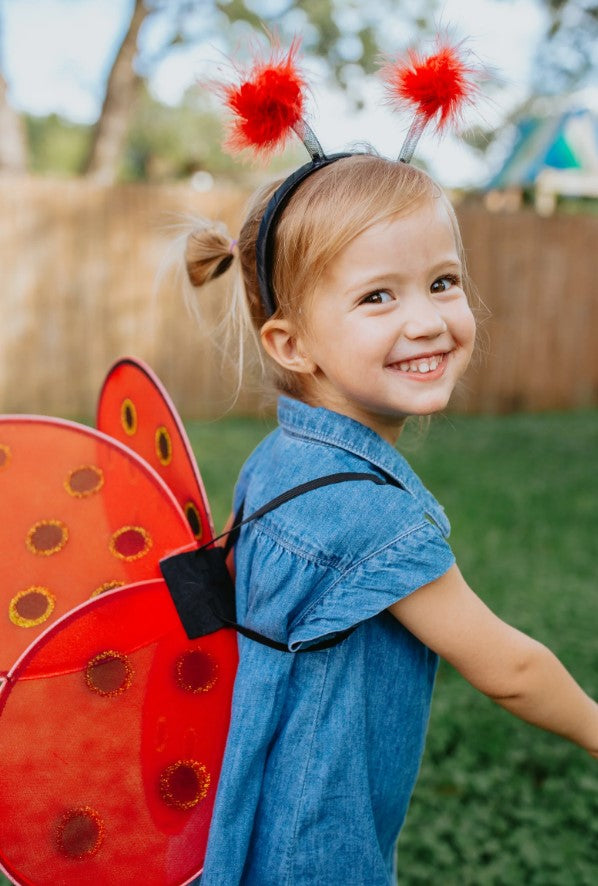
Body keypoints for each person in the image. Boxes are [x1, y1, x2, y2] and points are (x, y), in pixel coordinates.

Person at [181, 152, 598, 885]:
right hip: (318, 843)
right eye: (378, 297)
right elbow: (509, 668)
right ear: (291, 344)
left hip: (250, 814)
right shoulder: (374, 518)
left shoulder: (276, 459)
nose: (428, 320)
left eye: (442, 282)